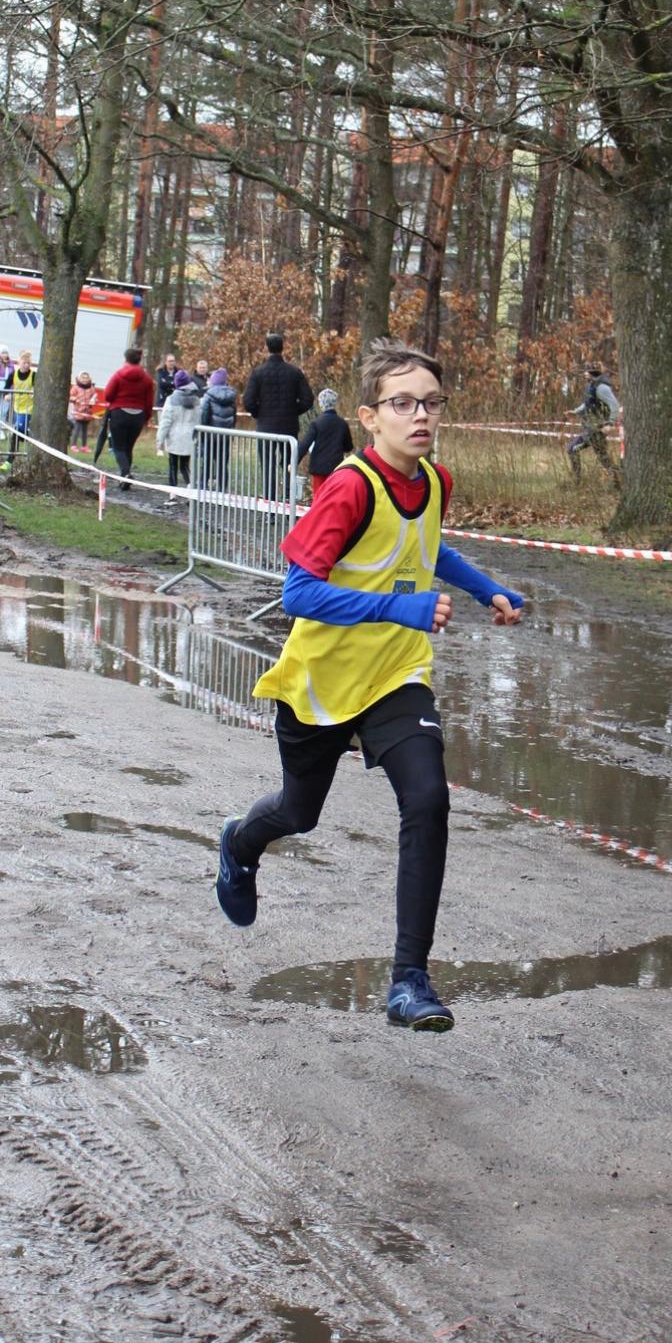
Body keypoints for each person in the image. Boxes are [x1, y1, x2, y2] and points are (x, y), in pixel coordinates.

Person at [214, 338, 525, 1033]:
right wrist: (399, 607)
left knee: (429, 798)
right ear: (369, 416)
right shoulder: (350, 485)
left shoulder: (435, 481)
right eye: (403, 403)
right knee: (299, 812)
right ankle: (239, 844)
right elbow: (298, 593)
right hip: (323, 680)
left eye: (431, 403)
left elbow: (427, 545)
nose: (421, 416)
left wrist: (486, 589)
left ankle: (410, 980)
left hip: (396, 674)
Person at [243, 332, 314, 498]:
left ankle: (270, 499)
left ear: (266, 348)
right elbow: (308, 399)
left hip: (266, 426)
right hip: (289, 425)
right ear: (283, 348)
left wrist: (258, 413)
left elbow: (248, 401)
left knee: (267, 463)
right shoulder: (294, 372)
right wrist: (293, 411)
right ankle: (288, 497)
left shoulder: (258, 373)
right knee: (289, 462)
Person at [101, 346, 157, 490]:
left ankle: (125, 474)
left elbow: (108, 395)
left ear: (125, 359)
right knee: (128, 447)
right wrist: (146, 418)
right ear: (139, 360)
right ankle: (124, 478)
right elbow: (149, 402)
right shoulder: (147, 379)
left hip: (119, 413)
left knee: (118, 447)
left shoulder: (118, 375)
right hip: (137, 416)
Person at [298, 389, 354, 498]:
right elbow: (348, 447)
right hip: (336, 467)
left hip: (318, 467)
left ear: (321, 404)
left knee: (319, 497)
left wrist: (295, 461)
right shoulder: (342, 424)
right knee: (333, 497)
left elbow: (305, 444)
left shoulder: (316, 423)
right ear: (335, 403)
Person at [566, 363, 619, 479]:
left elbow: (615, 405)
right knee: (603, 458)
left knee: (572, 449)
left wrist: (610, 423)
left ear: (592, 373)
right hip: (591, 428)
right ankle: (619, 479)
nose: (584, 374)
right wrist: (575, 412)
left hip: (597, 429)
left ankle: (577, 480)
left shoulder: (602, 388)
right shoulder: (592, 386)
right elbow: (588, 404)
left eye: (586, 372)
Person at [156, 367, 202, 489]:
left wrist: (159, 440)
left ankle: (173, 493)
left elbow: (165, 422)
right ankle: (191, 486)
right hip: (190, 437)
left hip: (174, 437)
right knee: (185, 465)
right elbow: (199, 420)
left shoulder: (171, 400)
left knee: (173, 466)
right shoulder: (197, 401)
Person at [200, 366, 237, 490]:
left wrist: (202, 432)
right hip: (225, 435)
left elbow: (204, 416)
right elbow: (234, 417)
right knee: (222, 463)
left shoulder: (208, 396)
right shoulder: (231, 397)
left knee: (207, 462)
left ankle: (202, 487)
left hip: (210, 435)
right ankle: (222, 488)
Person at [5, 350, 37, 461]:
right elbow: (6, 387)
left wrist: (34, 393)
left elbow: (38, 388)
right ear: (19, 362)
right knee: (19, 431)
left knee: (18, 430)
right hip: (17, 407)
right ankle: (31, 440)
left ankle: (10, 459)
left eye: (28, 363)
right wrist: (7, 395)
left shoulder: (33, 375)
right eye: (24, 363)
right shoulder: (13, 374)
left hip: (28, 408)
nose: (26, 365)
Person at [69, 371, 98, 450]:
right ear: (79, 378)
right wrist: (76, 399)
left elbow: (94, 398)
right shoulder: (75, 387)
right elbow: (70, 397)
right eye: (83, 378)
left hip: (87, 412)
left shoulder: (91, 388)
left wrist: (94, 401)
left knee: (85, 430)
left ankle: (84, 446)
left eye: (86, 378)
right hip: (78, 411)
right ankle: (73, 445)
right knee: (77, 429)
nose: (85, 379)